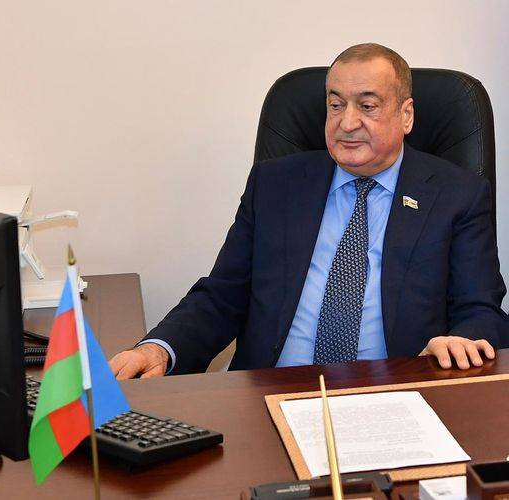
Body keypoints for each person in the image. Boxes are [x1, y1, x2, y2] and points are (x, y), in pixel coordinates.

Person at [110, 43, 508, 379]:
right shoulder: (275, 184)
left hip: (396, 397)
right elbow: (223, 296)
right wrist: (159, 349)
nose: (347, 122)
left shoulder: (457, 195)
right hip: (269, 394)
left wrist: (462, 340)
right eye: (336, 105)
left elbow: (481, 309)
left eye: (367, 106)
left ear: (406, 115)